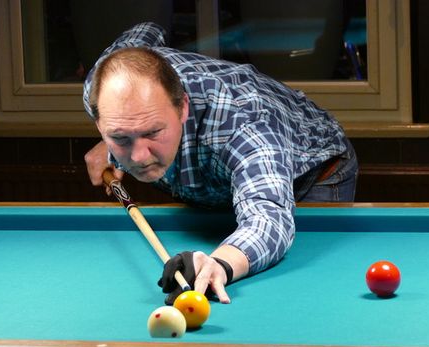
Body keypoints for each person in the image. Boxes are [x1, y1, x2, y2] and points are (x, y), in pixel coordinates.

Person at [83, 22, 358, 305]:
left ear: (183, 108)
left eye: (152, 132)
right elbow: (147, 29)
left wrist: (221, 264)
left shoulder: (241, 125)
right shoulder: (100, 85)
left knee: (301, 295)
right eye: (121, 136)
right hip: (219, 177)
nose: (139, 156)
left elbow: (268, 219)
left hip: (311, 167)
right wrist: (112, 144)